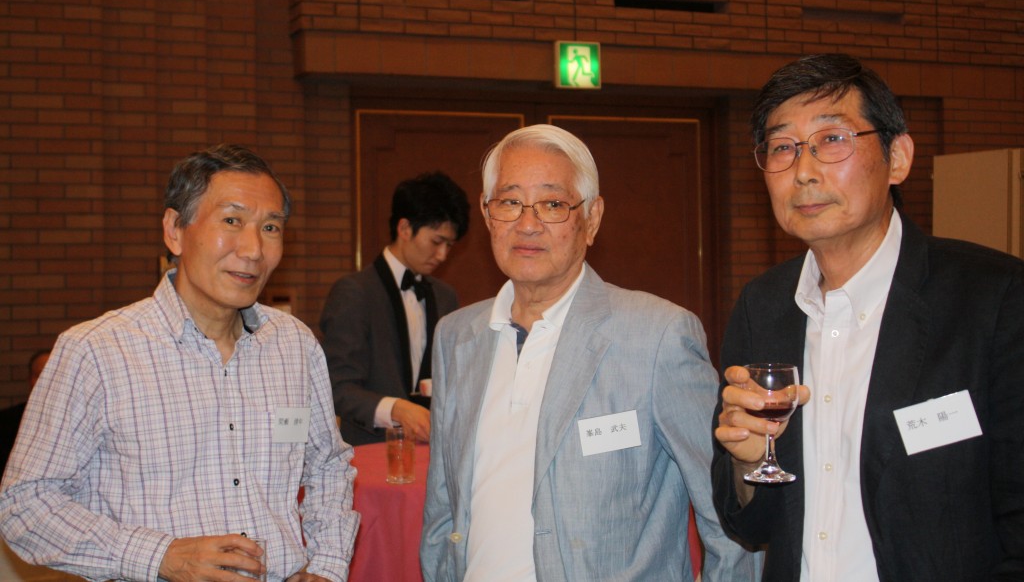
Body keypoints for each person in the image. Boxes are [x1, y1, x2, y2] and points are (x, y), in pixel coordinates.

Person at [711, 54, 1024, 581]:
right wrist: (746, 463)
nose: (804, 171)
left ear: (897, 157)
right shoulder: (762, 306)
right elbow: (752, 526)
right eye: (783, 147)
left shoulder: (994, 299)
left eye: (832, 140)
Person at [0, 144, 360, 582]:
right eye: (232, 221)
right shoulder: (96, 351)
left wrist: (326, 566)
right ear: (174, 231)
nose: (253, 249)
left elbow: (327, 465)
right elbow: (25, 504)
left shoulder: (294, 345)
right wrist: (162, 556)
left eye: (270, 227)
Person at [420, 124, 758, 581]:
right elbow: (443, 507)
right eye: (510, 202)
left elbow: (727, 518)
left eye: (553, 204)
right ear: (486, 213)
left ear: (592, 218)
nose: (527, 224)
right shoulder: (456, 337)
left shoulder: (657, 336)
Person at [320, 171, 469, 446]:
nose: (443, 255)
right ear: (404, 228)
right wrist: (394, 409)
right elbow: (335, 386)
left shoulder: (445, 296)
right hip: (371, 450)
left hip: (432, 451)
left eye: (449, 245)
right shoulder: (355, 292)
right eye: (437, 242)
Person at [0, 349, 50, 476]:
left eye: (52, 376)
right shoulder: (5, 422)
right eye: (40, 375)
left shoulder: (77, 422)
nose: (45, 382)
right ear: (29, 379)